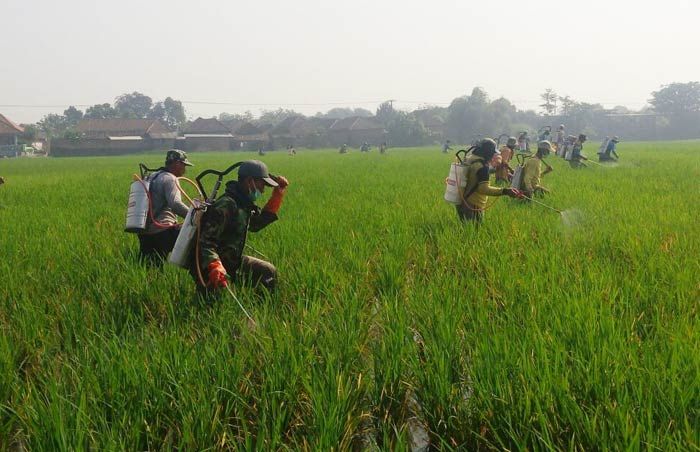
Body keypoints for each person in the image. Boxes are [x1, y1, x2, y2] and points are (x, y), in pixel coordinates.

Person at [190, 160, 288, 295]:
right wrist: (215, 265)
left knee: (267, 272)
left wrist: (277, 195)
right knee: (212, 303)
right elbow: (205, 242)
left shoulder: (243, 203)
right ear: (250, 181)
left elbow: (255, 225)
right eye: (261, 185)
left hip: (232, 261)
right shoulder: (226, 205)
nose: (263, 190)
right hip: (211, 266)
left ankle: (263, 307)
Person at [137, 149, 193, 264]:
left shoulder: (151, 177)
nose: (185, 169)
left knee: (150, 267)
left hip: (144, 232)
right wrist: (194, 215)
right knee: (196, 244)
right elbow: (175, 204)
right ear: (177, 163)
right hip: (163, 231)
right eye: (183, 165)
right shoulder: (170, 179)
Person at [455, 138, 520, 223]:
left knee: (466, 231)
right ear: (488, 153)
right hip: (473, 205)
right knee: (474, 232)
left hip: (461, 201)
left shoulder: (470, 158)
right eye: (492, 153)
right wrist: (505, 191)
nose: (492, 156)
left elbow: (474, 175)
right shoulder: (482, 167)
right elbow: (483, 189)